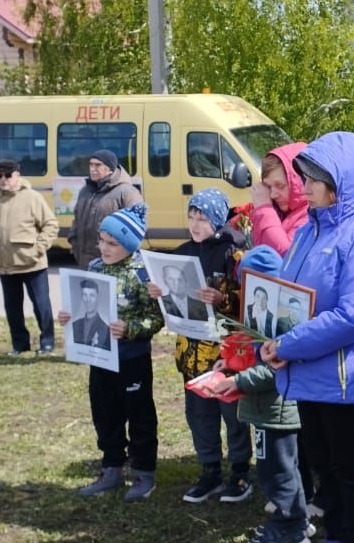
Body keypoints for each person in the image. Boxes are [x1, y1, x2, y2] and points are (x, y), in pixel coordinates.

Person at [259, 131, 354, 543]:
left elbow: (352, 316)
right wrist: (269, 340)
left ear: (341, 182)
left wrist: (287, 345)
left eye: (314, 179)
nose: (304, 187)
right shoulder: (307, 232)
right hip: (306, 374)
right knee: (322, 469)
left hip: (341, 380)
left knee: (347, 472)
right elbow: (288, 297)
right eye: (304, 177)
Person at [148, 188, 251, 504]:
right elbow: (173, 301)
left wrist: (223, 299)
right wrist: (158, 293)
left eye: (203, 218)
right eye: (192, 216)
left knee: (232, 415)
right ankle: (209, 471)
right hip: (190, 354)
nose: (195, 224)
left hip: (224, 354)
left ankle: (239, 473)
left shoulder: (232, 254)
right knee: (199, 415)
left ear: (217, 220)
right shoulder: (180, 252)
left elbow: (249, 303)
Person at [209, 245, 316, 543]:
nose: (247, 293)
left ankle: (289, 527)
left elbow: (272, 369)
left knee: (276, 473)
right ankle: (298, 521)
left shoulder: (283, 321)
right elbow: (252, 355)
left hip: (275, 411)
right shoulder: (262, 317)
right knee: (285, 469)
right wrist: (229, 365)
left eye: (251, 286)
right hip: (268, 409)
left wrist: (240, 382)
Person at [60, 203, 163, 502]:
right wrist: (69, 317)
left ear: (129, 245)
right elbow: (82, 304)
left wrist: (130, 328)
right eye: (101, 241)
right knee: (105, 412)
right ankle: (111, 467)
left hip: (132, 359)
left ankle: (144, 472)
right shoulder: (95, 268)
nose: (103, 248)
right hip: (100, 357)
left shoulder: (143, 273)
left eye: (112, 243)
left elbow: (156, 318)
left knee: (139, 413)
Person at [0, 160, 59, 356]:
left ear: (18, 176)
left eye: (8, 175)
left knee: (41, 306)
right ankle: (20, 344)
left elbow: (51, 225)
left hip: (32, 264)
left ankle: (47, 342)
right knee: (12, 308)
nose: (3, 179)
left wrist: (37, 249)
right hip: (5, 266)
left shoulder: (32, 198)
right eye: (0, 176)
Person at [227, 143, 309, 255]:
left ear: (299, 182)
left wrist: (264, 209)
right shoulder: (279, 211)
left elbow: (285, 254)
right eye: (268, 187)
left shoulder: (310, 214)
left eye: (280, 185)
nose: (273, 195)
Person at [69, 149, 143, 268]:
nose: (92, 169)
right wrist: (75, 245)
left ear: (110, 169)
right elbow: (76, 222)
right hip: (84, 263)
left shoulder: (127, 192)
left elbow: (138, 229)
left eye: (98, 165)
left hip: (113, 265)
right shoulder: (85, 191)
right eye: (91, 164)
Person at [71, 278, 111, 350]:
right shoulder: (74, 325)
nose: (88, 300)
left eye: (92, 295)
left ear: (98, 297)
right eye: (84, 295)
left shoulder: (106, 328)